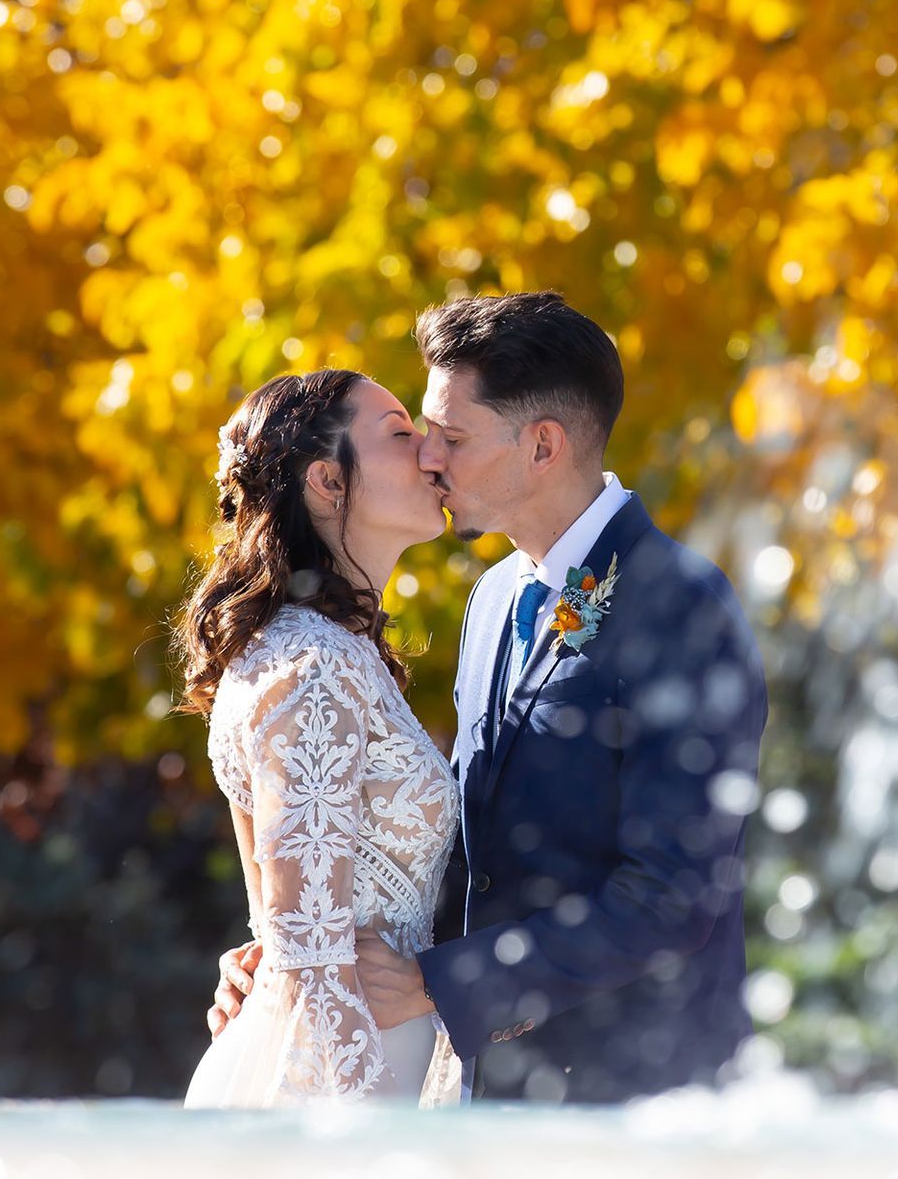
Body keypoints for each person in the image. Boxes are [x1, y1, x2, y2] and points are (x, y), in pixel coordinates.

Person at [211, 292, 770, 1103]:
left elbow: (673, 896)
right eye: (420, 434)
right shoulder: (493, 600)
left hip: (642, 1094)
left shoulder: (681, 603)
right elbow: (468, 853)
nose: (429, 458)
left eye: (452, 437)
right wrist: (300, 943)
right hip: (490, 1094)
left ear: (542, 446)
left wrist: (447, 983)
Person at [179, 369, 463, 1106]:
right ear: (328, 483)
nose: (432, 451)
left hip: (365, 1050)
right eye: (401, 433)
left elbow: (276, 927)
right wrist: (368, 1145)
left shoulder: (317, 652)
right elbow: (308, 961)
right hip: (337, 1080)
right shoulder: (314, 666)